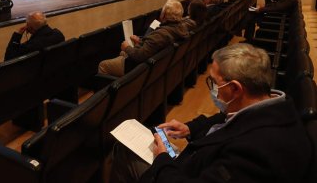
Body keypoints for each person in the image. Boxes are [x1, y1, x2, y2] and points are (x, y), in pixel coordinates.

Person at [110, 43, 312, 183]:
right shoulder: (268, 105)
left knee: (124, 150)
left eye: (214, 82)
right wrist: (189, 128)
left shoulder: (256, 151)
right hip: (195, 163)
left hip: (185, 172)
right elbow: (226, 120)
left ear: (235, 88)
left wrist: (162, 159)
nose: (212, 89)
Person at [98, 0, 190, 77]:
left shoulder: (161, 34)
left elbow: (140, 56)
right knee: (122, 53)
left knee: (103, 65)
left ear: (164, 15)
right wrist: (140, 41)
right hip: (155, 67)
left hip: (138, 67)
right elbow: (152, 46)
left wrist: (127, 47)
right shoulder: (180, 29)